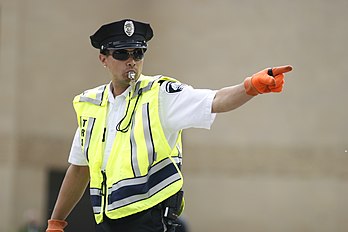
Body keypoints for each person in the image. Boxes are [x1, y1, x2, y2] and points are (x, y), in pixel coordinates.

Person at [46, 19, 293, 232]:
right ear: (104, 58)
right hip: (108, 220)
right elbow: (79, 169)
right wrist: (56, 221)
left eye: (138, 53)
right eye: (122, 54)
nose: (131, 61)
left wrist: (250, 86)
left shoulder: (160, 94)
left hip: (153, 219)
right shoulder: (92, 105)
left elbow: (216, 99)